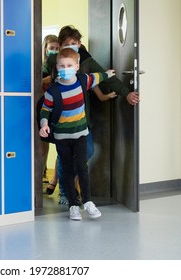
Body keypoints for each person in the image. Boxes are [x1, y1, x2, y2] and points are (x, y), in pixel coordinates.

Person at [44, 25, 137, 205]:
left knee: (88, 150)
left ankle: (68, 181)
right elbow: (42, 74)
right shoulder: (54, 60)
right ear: (60, 45)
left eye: (74, 43)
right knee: (65, 158)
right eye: (66, 44)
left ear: (79, 44)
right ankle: (65, 192)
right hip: (61, 121)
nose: (70, 46)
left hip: (80, 118)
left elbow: (106, 77)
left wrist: (126, 93)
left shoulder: (86, 61)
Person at [39, 47, 115, 220]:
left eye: (69, 65)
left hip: (80, 134)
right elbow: (45, 110)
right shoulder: (53, 91)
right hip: (62, 137)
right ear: (56, 67)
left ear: (77, 65)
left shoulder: (83, 81)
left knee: (82, 167)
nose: (65, 69)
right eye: (62, 66)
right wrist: (44, 124)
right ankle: (73, 205)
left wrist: (109, 74)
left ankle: (87, 202)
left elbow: (98, 76)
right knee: (66, 170)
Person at [40, 35, 59, 190]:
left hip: (56, 108)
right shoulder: (40, 65)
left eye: (57, 48)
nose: (54, 51)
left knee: (59, 145)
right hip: (43, 107)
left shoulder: (59, 66)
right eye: (51, 48)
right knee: (42, 144)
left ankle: (54, 180)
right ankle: (40, 173)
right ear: (45, 48)